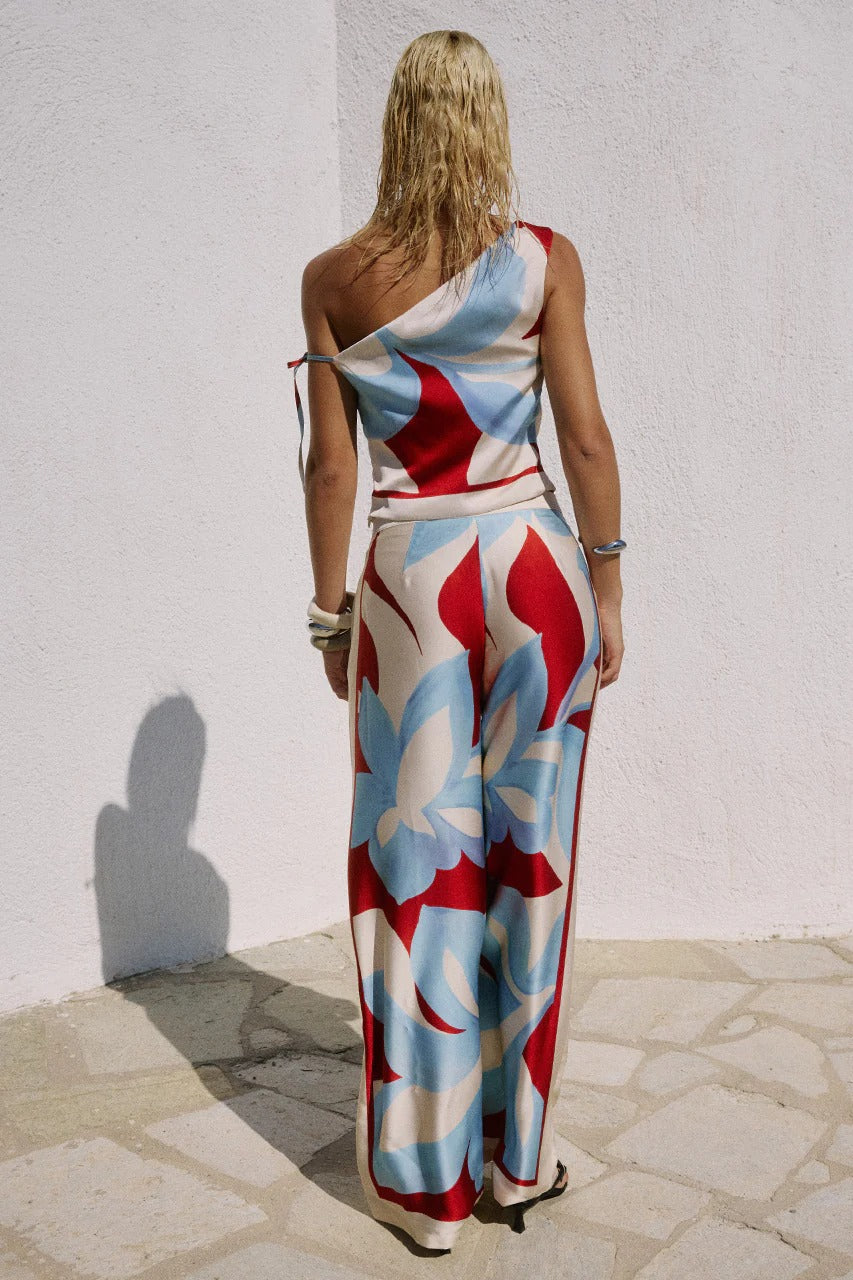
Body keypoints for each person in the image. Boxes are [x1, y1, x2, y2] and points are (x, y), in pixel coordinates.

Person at [287, 28, 625, 1255]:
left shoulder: (334, 277)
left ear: (396, 125)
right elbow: (582, 439)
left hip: (410, 582)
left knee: (417, 867)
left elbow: (332, 467)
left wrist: (332, 613)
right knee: (533, 862)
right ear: (488, 122)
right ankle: (516, 1161)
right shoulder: (542, 261)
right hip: (533, 569)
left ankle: (426, 1191)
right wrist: (609, 587)